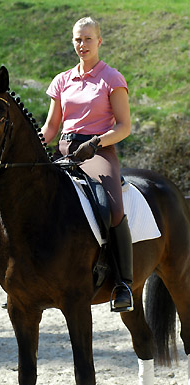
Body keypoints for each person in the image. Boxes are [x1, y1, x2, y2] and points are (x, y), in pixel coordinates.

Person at [41, 16, 133, 313]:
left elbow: (124, 127)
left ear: (99, 41)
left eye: (88, 39)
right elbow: (50, 129)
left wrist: (96, 143)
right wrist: (30, 144)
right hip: (65, 151)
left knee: (113, 208)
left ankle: (123, 283)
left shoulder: (112, 78)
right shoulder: (61, 80)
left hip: (98, 152)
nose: (82, 44)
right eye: (77, 39)